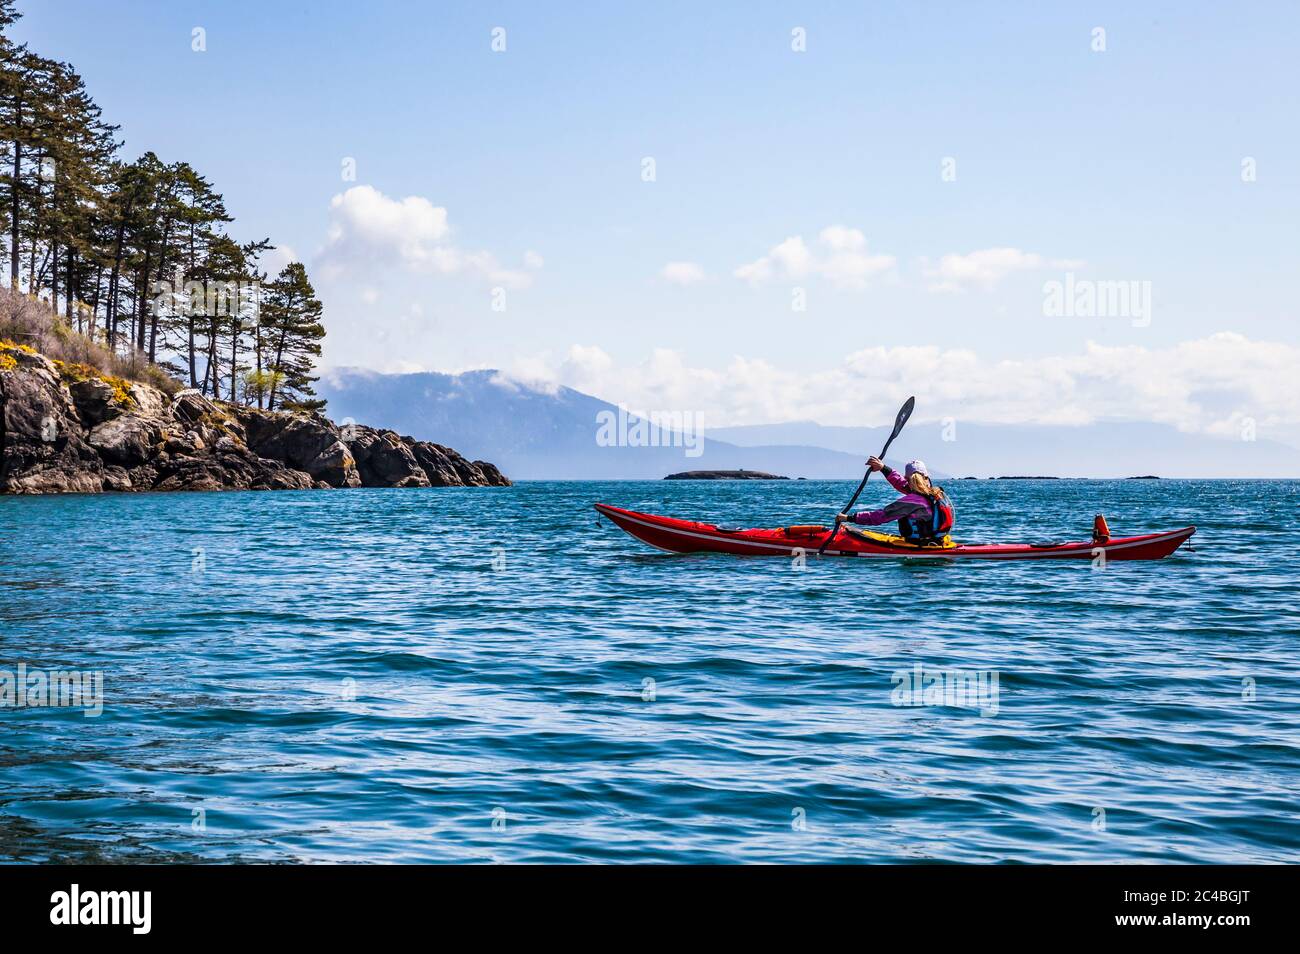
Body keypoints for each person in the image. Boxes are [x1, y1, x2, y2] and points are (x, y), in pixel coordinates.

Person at [835, 458, 955, 543]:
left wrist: (849, 518)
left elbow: (881, 516)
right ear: (926, 477)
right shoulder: (935, 494)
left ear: (908, 479)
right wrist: (883, 468)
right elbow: (902, 484)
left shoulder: (913, 501)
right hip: (937, 541)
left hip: (919, 544)